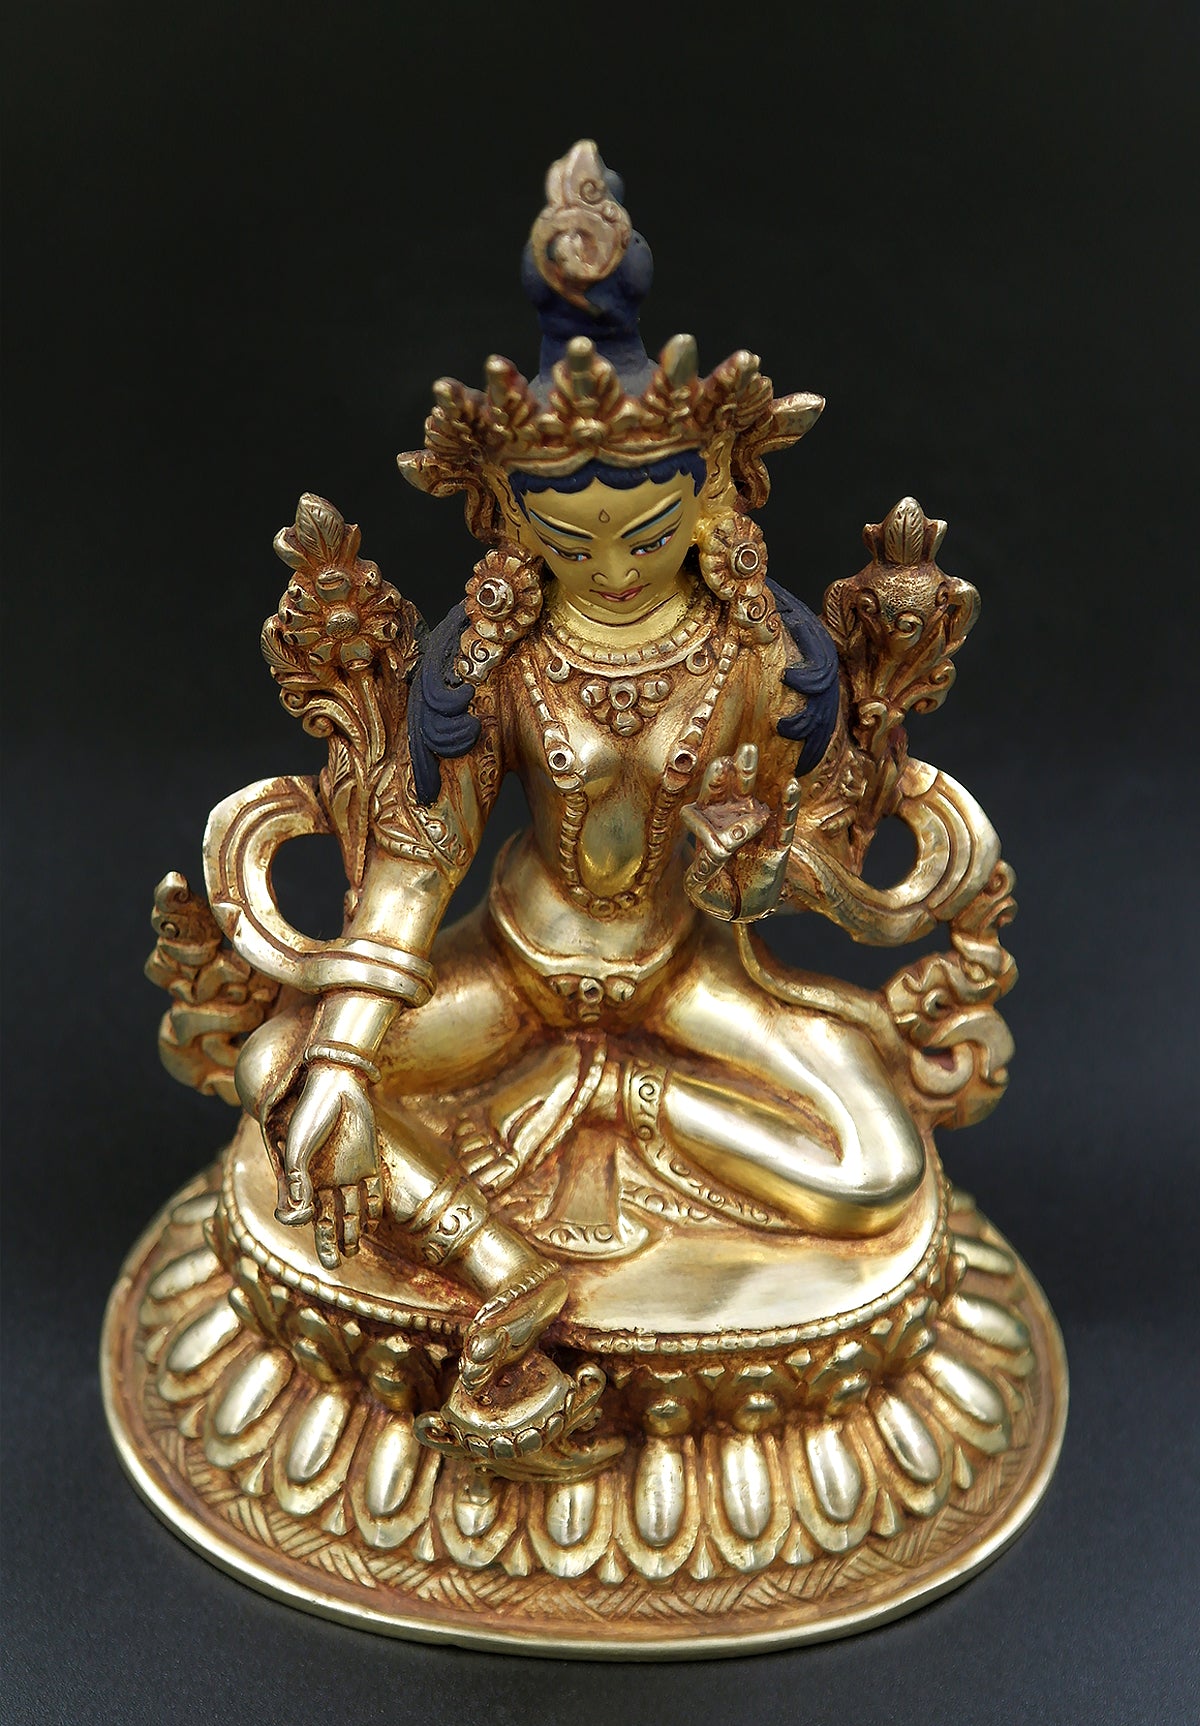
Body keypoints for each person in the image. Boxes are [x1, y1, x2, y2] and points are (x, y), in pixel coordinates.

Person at [234, 142, 931, 1471]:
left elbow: (795, 854)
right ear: (510, 521)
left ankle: (617, 1094)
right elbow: (419, 858)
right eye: (569, 540)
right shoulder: (494, 655)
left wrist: (757, 862)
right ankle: (503, 1271)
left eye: (647, 532)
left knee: (878, 1174)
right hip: (515, 969)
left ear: (714, 495)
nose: (610, 568)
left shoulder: (756, 651)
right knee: (281, 1070)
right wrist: (347, 1054)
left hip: (678, 975)